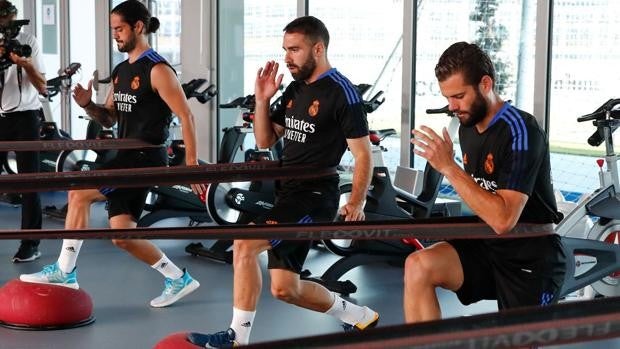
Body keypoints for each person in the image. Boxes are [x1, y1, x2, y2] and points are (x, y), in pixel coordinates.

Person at [187, 16, 378, 347]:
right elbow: (264, 139)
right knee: (285, 289)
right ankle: (358, 316)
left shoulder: (342, 93)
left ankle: (237, 339)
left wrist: (356, 202)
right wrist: (262, 99)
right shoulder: (295, 87)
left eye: (295, 50)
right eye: (285, 49)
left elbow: (363, 155)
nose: (287, 57)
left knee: (245, 245)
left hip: (315, 195)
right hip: (287, 193)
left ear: (318, 49)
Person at [20, 0, 204, 308]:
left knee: (78, 193)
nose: (116, 35)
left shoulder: (157, 69)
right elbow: (109, 118)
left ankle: (65, 271)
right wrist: (86, 105)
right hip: (126, 154)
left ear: (138, 27)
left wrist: (192, 164)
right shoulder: (121, 71)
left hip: (145, 155)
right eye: (113, 30)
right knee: (122, 236)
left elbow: (187, 116)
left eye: (119, 29)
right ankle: (178, 278)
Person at [403, 42, 566, 323]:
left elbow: (503, 219)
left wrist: (448, 167)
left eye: (459, 96)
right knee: (419, 265)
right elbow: (481, 200)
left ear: (486, 84)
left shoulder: (521, 130)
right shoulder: (468, 127)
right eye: (447, 97)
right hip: (488, 247)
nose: (452, 106)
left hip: (531, 256)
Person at [0, 1, 46, 263]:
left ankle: (30, 242)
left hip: (25, 117)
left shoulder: (28, 41)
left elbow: (42, 86)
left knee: (30, 182)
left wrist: (24, 63)